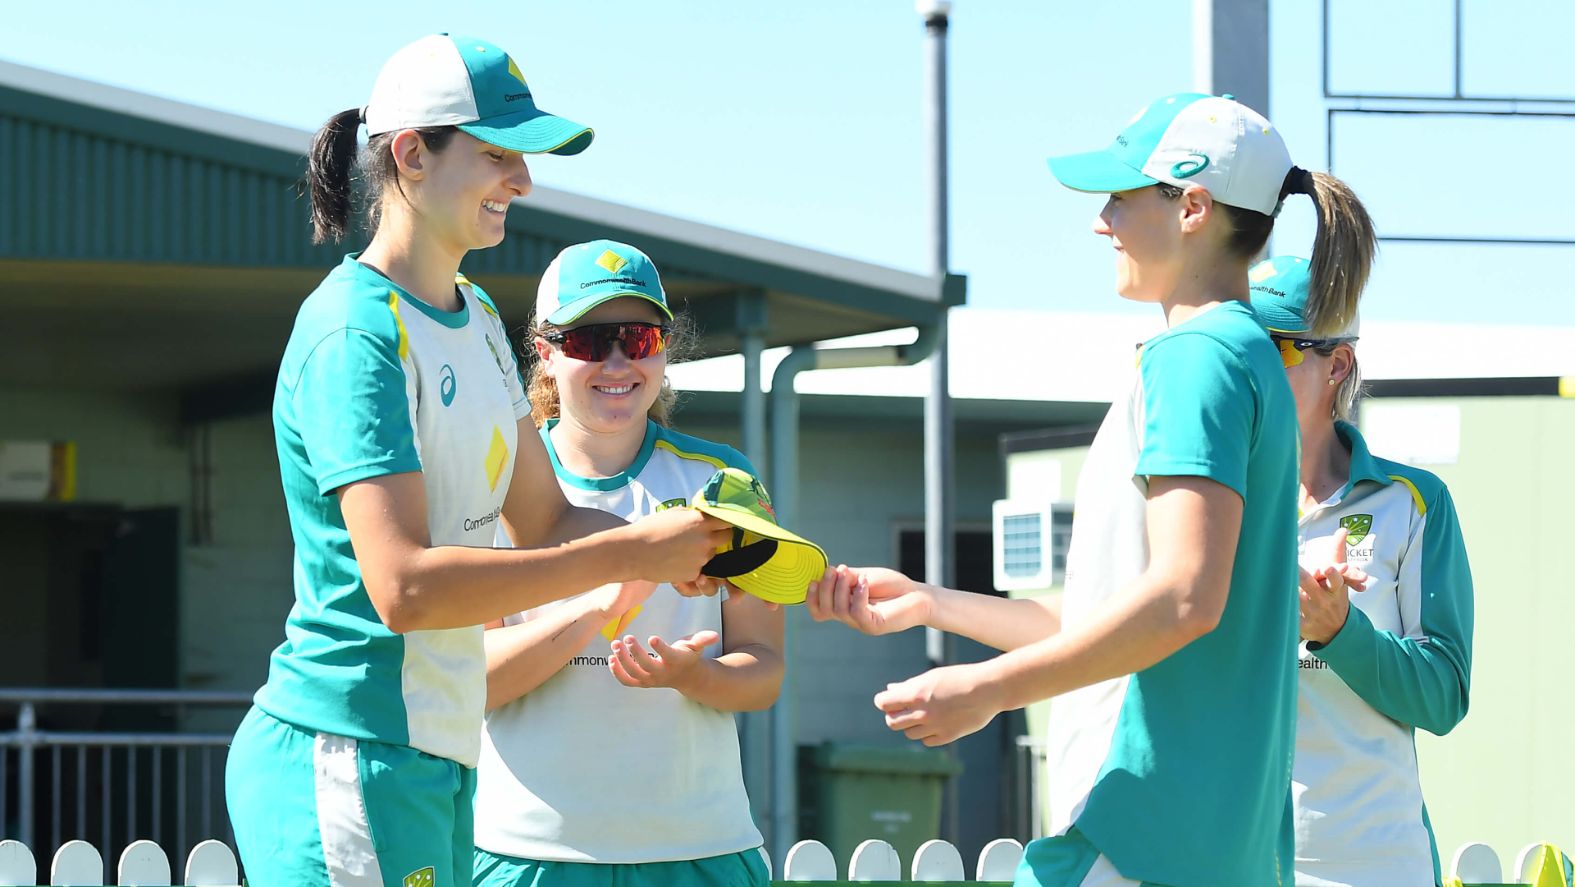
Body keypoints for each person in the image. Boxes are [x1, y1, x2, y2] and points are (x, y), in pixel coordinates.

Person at [808, 93, 1377, 887]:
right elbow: (1125, 615)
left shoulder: (1194, 356)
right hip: (1205, 840)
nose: (1099, 221)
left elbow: (1182, 600)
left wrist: (985, 691)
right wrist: (931, 602)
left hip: (1135, 825)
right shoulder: (1245, 355)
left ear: (1192, 207)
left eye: (1119, 196)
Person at [225, 37, 729, 887]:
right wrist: (632, 554)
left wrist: (690, 545)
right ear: (412, 155)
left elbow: (547, 521)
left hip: (433, 748)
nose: (523, 182)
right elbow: (406, 588)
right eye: (497, 154)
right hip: (351, 747)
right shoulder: (355, 330)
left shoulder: (478, 315)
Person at [471, 240, 783, 887]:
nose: (616, 361)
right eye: (589, 339)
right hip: (527, 853)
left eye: (637, 338)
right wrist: (598, 605)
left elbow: (764, 671)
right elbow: (473, 681)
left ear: (663, 348)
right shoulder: (488, 481)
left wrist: (693, 675)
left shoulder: (723, 480)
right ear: (544, 350)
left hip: (700, 846)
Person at [1249, 256, 1474, 887]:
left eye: (1279, 348)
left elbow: (1444, 696)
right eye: (1241, 346)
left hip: (1375, 865)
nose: (1252, 366)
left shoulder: (1413, 501)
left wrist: (1339, 632)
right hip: (1232, 857)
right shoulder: (1207, 503)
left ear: (1338, 365)